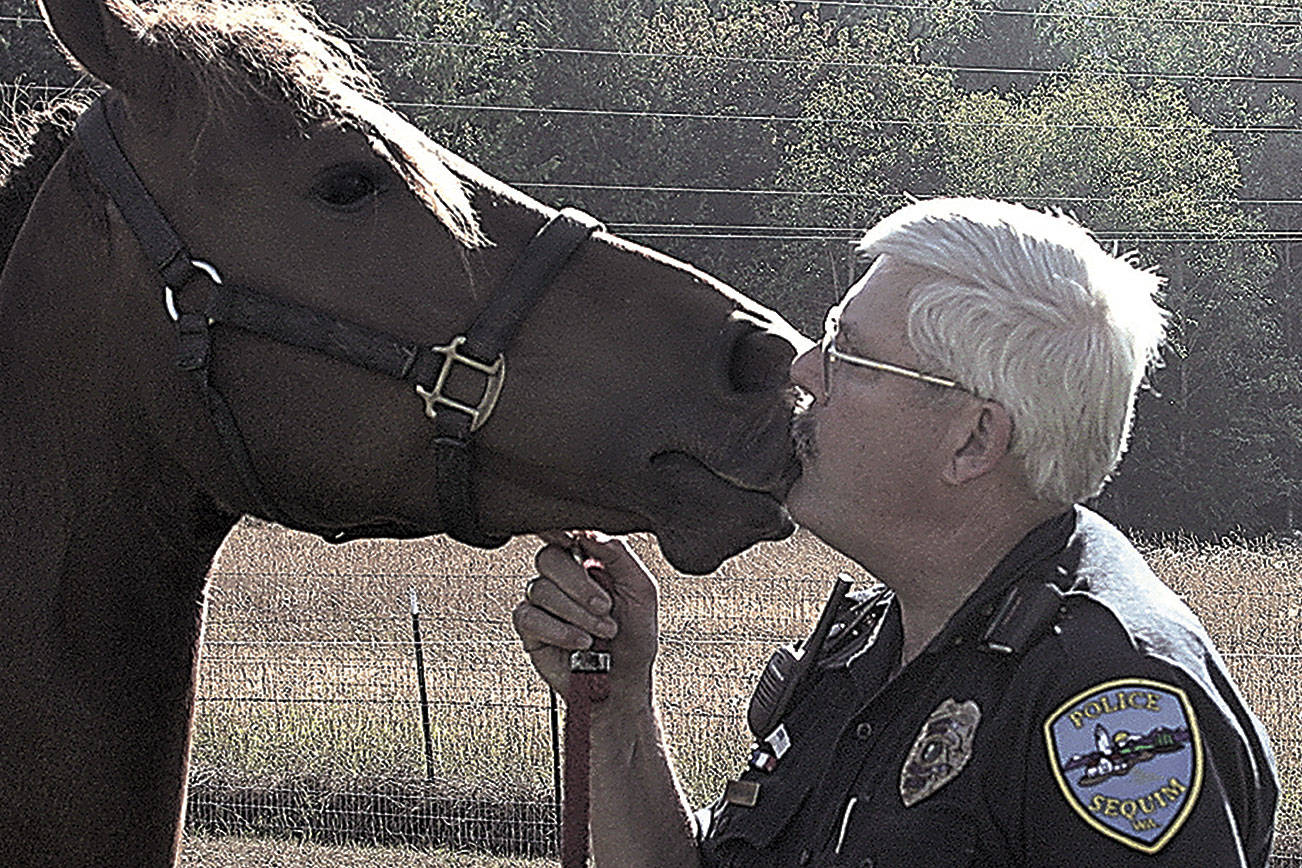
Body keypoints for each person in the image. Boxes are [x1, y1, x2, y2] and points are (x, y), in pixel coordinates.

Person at [511, 197, 1279, 867]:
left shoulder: (1110, 705)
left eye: (850, 354)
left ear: (973, 441)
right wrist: (618, 710)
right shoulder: (871, 638)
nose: (804, 369)